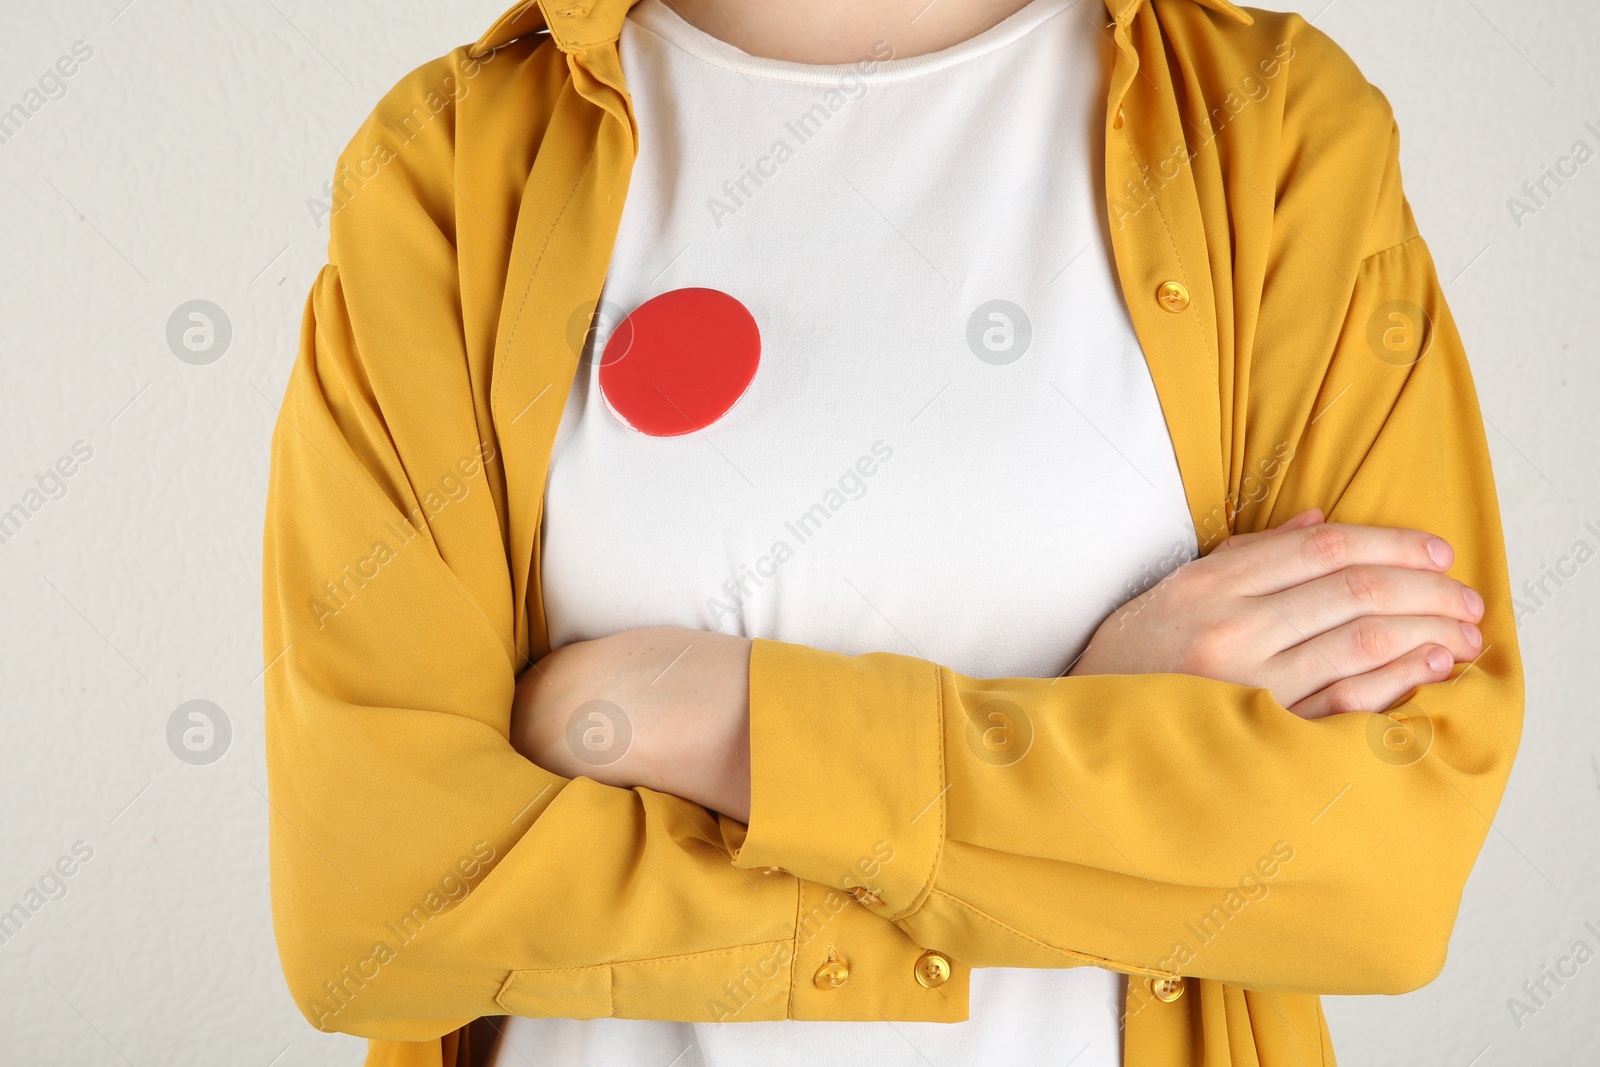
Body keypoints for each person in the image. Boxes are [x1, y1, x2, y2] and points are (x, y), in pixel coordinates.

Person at [262, 1, 1523, 1065]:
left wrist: (710, 716)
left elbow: (1376, 869)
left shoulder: (1273, 130)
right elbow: (379, 904)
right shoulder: (457, 162)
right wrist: (1085, 764)